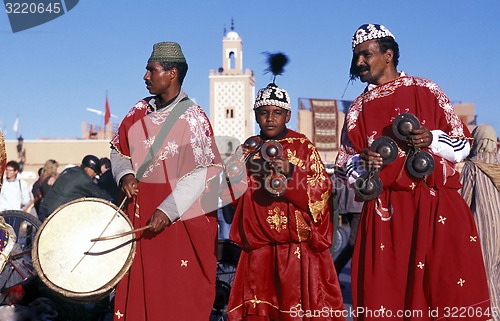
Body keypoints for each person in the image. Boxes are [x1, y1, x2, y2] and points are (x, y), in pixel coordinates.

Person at [335, 23, 491, 320]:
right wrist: (363, 163)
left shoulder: (426, 90)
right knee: (389, 297)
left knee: (446, 292)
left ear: (388, 54)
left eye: (365, 55)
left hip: (434, 208)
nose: (358, 63)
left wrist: (433, 138)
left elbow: (463, 144)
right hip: (385, 216)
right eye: (356, 56)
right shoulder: (358, 108)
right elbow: (344, 163)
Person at [110, 41, 222, 321]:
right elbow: (118, 150)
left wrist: (168, 210)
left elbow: (204, 171)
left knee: (173, 294)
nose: (145, 76)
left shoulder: (194, 119)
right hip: (138, 220)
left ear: (172, 73)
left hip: (177, 224)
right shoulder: (137, 111)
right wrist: (124, 174)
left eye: (151, 70)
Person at [227, 76, 345, 320]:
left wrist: (291, 172)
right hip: (259, 250)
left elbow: (322, 188)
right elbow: (231, 193)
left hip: (297, 250)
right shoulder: (247, 149)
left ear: (288, 116)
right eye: (264, 112)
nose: (270, 118)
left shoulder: (302, 146)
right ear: (256, 114)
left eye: (277, 112)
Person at [460, 124, 500, 320]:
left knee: (485, 273)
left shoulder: (472, 166)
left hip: (485, 227)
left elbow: (463, 202)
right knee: (497, 273)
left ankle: (490, 315)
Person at [38, 155, 111, 221]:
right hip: (55, 213)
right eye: (95, 172)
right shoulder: (83, 178)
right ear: (88, 168)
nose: (95, 175)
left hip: (44, 208)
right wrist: (112, 198)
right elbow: (99, 194)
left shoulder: (70, 170)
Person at [332, 177, 362, 277]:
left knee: (356, 241)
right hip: (356, 204)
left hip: (347, 202)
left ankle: (335, 271)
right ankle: (335, 271)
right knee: (355, 242)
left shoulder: (342, 161)